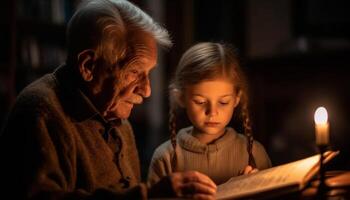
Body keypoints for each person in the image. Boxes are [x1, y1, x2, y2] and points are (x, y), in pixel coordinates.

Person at [0, 0, 217, 199]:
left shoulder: (116, 118)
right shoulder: (40, 112)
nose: (147, 90)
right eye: (134, 72)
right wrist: (148, 196)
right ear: (88, 66)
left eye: (149, 73)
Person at [148, 42, 272, 186]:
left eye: (223, 102)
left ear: (237, 98)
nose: (212, 113)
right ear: (181, 98)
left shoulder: (255, 154)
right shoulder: (165, 157)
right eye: (200, 102)